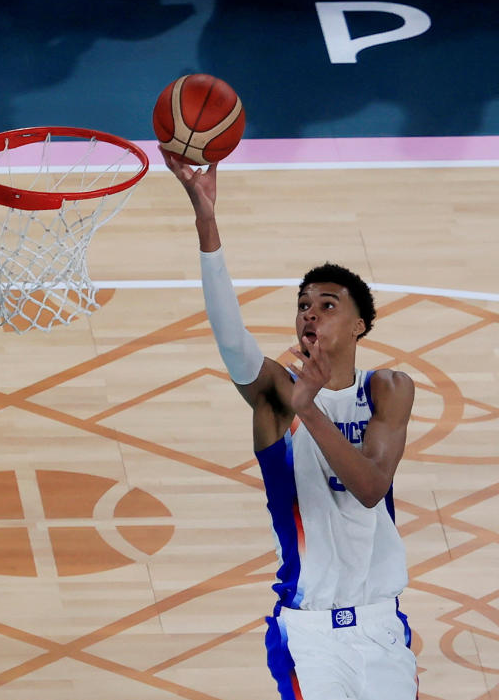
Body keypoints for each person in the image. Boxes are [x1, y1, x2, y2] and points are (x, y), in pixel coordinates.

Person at [163, 155, 417, 700]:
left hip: (382, 625)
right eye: (303, 305)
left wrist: (312, 410)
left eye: (327, 305)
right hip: (310, 635)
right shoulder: (277, 397)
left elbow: (371, 489)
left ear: (359, 325)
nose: (310, 314)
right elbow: (232, 342)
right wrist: (208, 224)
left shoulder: (388, 389)